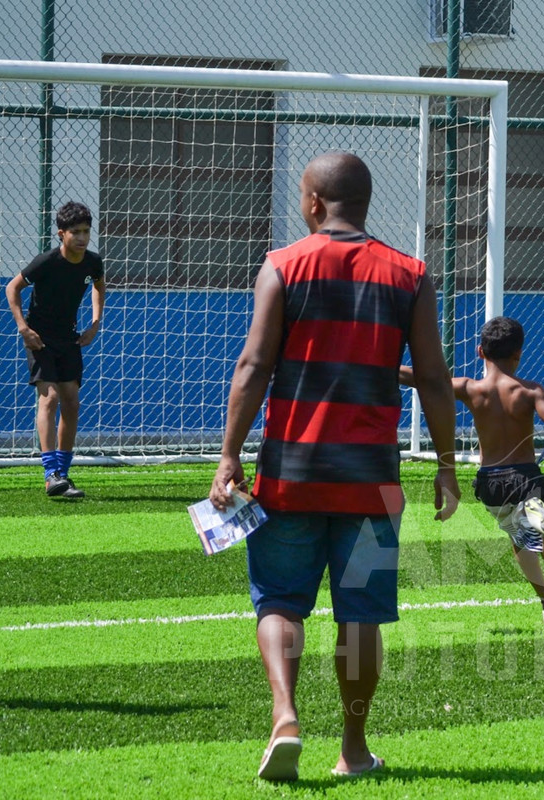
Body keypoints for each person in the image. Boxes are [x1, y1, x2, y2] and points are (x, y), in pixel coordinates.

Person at [209, 151, 461, 782]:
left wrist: (229, 456)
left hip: (289, 476)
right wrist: (448, 464)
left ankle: (286, 717)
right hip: (372, 485)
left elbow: (253, 368)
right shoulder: (410, 274)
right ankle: (352, 749)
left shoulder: (282, 265)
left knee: (280, 600)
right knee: (362, 614)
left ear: (315, 202)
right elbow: (432, 376)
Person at [403, 316, 544, 626]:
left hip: (491, 485)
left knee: (519, 539)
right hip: (528, 479)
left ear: (480, 351)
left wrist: (376, 365)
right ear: (519, 354)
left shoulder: (470, 388)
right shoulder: (529, 391)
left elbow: (425, 378)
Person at [6, 202, 105, 498]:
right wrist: (24, 328)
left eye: (86, 231)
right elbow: (12, 288)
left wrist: (95, 324)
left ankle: (63, 473)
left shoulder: (92, 261)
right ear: (62, 234)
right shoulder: (46, 261)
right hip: (41, 340)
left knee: (72, 403)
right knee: (48, 399)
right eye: (75, 232)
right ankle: (51, 474)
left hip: (70, 338)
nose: (82, 237)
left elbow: (99, 286)